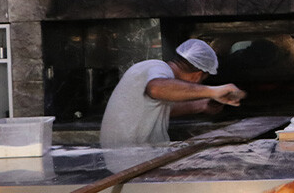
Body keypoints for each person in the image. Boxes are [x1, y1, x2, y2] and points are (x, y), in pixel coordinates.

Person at [100, 38, 245, 147]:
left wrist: (200, 105)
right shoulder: (158, 68)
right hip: (131, 158)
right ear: (198, 75)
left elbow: (155, 108)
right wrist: (213, 91)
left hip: (125, 155)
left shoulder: (151, 69)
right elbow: (156, 89)